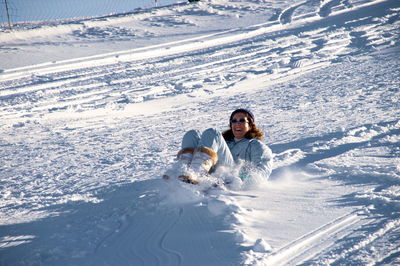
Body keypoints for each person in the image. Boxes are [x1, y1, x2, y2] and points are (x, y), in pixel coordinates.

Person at [163, 108, 273, 185]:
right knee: (191, 134)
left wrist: (242, 181)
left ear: (250, 125)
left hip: (231, 177)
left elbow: (262, 172)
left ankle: (196, 173)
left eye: (242, 120)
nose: (237, 123)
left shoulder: (255, 145)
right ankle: (182, 171)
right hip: (212, 174)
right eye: (233, 121)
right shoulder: (225, 143)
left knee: (213, 133)